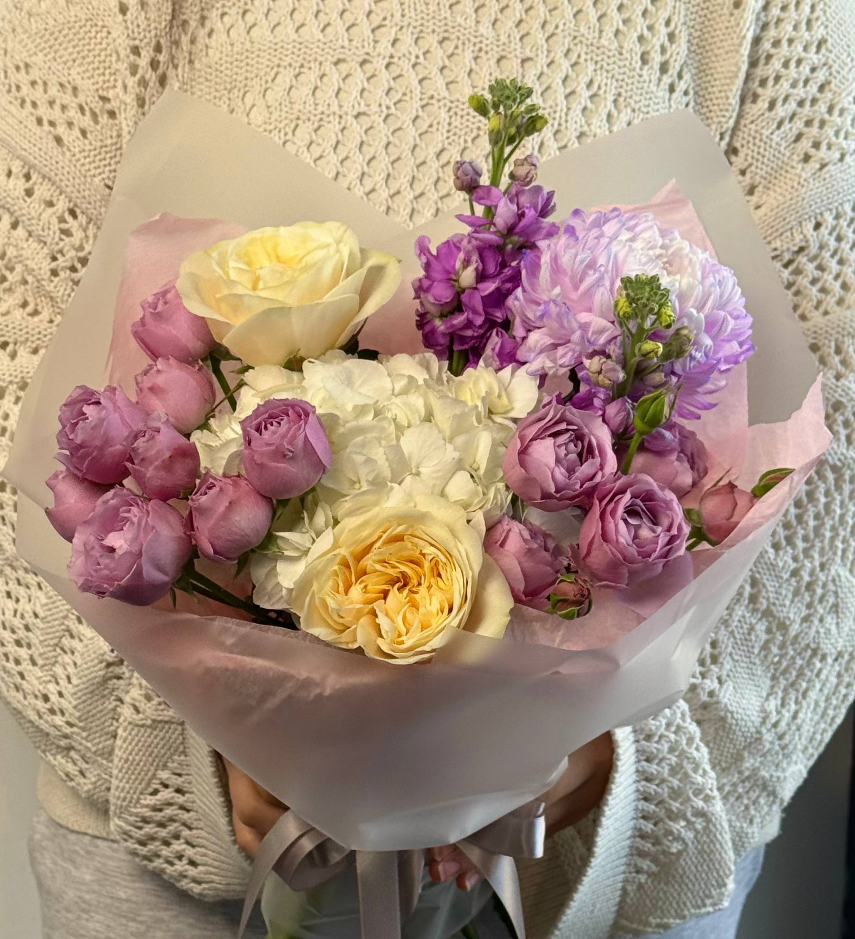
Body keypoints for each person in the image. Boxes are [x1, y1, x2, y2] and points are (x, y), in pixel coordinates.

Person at [0, 1, 853, 937]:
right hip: (175, 885)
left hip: (575, 850)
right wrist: (206, 740)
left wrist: (608, 753)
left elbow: (833, 447)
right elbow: (17, 390)